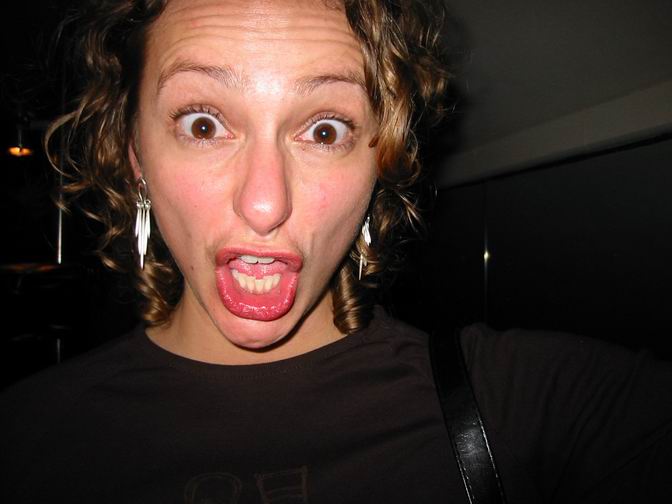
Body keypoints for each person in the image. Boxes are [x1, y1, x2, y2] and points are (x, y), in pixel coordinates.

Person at [1, 0, 671, 503]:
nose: (265, 203)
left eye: (324, 130)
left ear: (381, 161)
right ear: (135, 155)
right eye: (203, 124)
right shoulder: (24, 439)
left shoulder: (529, 405)